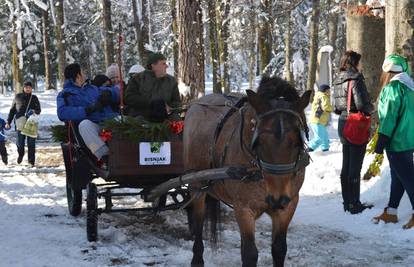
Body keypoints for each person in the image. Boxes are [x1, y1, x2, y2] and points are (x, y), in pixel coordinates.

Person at [372, 54, 414, 229]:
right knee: (398, 177)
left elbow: (389, 117)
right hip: (408, 140)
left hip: (396, 142)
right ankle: (391, 212)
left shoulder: (392, 88)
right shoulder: (410, 87)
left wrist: (382, 139)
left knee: (409, 178)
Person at [333, 50, 374, 214]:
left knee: (346, 164)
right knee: (355, 167)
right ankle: (355, 204)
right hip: (355, 124)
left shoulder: (337, 80)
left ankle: (347, 202)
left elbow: (337, 108)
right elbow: (362, 104)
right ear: (354, 63)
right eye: (359, 62)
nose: (361, 65)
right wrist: (372, 108)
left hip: (343, 123)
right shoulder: (355, 79)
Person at [57, 63, 119, 163]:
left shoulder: (92, 88)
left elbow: (118, 92)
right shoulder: (65, 94)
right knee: (84, 125)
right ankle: (105, 157)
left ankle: (138, 154)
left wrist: (109, 93)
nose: (85, 74)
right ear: (77, 76)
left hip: (109, 122)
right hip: (93, 126)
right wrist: (87, 110)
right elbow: (62, 112)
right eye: (82, 72)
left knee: (122, 120)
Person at [125, 52, 181, 121]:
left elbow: (177, 102)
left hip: (165, 117)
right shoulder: (137, 79)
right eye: (163, 63)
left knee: (178, 122)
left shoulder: (171, 81)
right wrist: (151, 103)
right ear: (153, 65)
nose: (166, 66)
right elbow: (129, 98)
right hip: (142, 116)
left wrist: (169, 108)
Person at [5, 81, 41, 166]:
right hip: (19, 122)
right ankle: (21, 154)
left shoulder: (34, 98)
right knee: (20, 143)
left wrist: (33, 111)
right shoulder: (18, 97)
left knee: (31, 143)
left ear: (31, 88)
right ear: (23, 88)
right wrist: (8, 122)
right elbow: (12, 110)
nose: (28, 88)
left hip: (31, 123)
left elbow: (39, 110)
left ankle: (31, 161)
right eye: (26, 87)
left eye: (29, 87)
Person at [307, 84, 333, 152]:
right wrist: (333, 108)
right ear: (325, 91)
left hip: (317, 120)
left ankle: (325, 148)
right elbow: (325, 107)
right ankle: (309, 148)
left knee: (324, 136)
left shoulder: (318, 96)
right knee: (319, 138)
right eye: (328, 90)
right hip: (317, 120)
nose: (329, 92)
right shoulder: (323, 96)